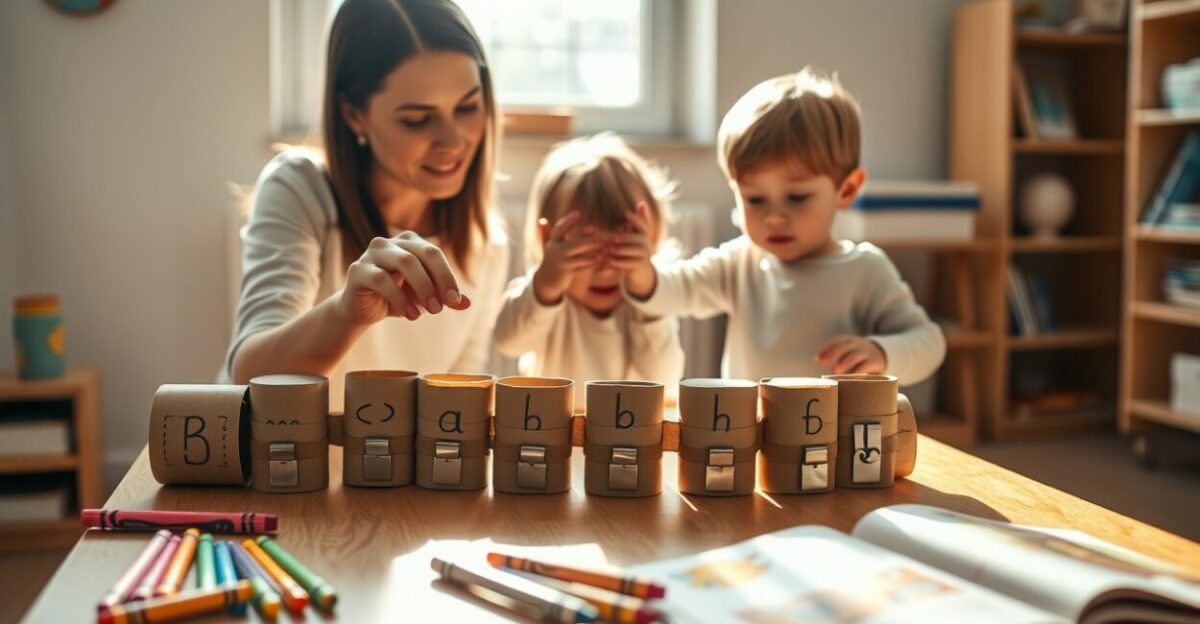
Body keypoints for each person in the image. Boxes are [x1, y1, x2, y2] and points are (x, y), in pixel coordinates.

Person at [220, 0, 509, 410]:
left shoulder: (486, 241)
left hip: (386, 471)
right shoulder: (300, 189)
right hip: (270, 459)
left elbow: (455, 402)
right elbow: (248, 377)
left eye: (467, 107)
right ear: (354, 115)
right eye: (416, 119)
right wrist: (347, 314)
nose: (453, 139)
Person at [621, 68, 946, 385]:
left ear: (846, 190)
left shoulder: (865, 270)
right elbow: (676, 290)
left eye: (796, 197)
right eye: (755, 199)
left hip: (830, 437)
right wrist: (640, 271)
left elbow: (928, 342)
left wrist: (882, 351)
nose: (774, 217)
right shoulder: (739, 263)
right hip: (751, 433)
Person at [494, 133, 684, 405]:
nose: (605, 269)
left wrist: (646, 296)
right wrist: (546, 285)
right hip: (558, 442)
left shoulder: (649, 304)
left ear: (649, 242)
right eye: (586, 252)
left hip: (629, 444)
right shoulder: (546, 300)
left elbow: (665, 379)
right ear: (550, 243)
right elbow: (508, 341)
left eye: (620, 251)